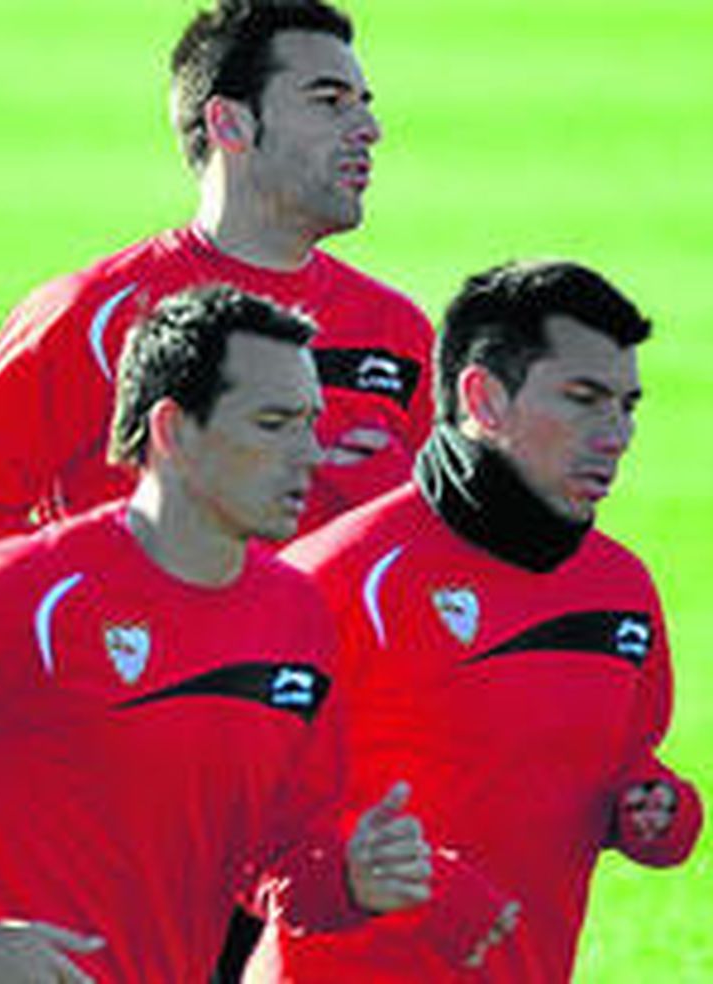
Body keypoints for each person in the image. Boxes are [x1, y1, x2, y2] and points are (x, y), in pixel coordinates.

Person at [0, 286, 436, 983]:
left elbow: (273, 857)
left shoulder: (295, 616)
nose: (310, 453)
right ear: (172, 429)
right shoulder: (26, 594)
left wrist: (351, 881)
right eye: (274, 423)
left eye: (310, 422)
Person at [248, 260, 703, 981]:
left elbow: (619, 762)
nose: (616, 434)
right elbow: (217, 819)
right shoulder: (329, 581)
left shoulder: (620, 589)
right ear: (483, 398)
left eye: (627, 405)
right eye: (584, 399)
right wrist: (361, 880)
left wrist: (657, 811)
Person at [0, 0, 434, 592]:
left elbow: (453, 562)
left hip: (326, 684)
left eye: (364, 106)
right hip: (148, 681)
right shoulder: (92, 315)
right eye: (329, 101)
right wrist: (106, 634)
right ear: (230, 123)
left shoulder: (399, 332)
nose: (368, 129)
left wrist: (409, 505)